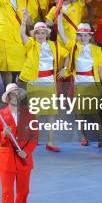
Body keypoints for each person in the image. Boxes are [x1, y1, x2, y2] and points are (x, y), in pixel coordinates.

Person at [0, 83, 37, 203]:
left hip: (24, 159)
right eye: (13, 93)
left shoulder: (29, 114)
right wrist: (4, 134)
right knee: (7, 194)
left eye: (17, 93)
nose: (16, 95)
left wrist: (27, 151)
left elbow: (34, 136)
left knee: (23, 192)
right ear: (8, 97)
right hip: (7, 160)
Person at [19, 17, 67, 152]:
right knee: (35, 113)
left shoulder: (54, 45)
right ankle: (32, 139)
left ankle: (50, 142)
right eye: (38, 33)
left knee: (51, 113)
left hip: (49, 81)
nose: (40, 35)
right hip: (35, 81)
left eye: (43, 32)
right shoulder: (31, 44)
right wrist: (23, 21)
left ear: (47, 34)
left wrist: (65, 68)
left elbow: (68, 53)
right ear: (34, 34)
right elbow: (22, 34)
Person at [62, 23, 102, 147]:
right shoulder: (73, 47)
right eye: (80, 35)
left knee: (94, 113)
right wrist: (59, 18)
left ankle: (100, 138)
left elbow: (100, 69)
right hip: (78, 83)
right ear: (77, 36)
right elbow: (62, 35)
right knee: (79, 113)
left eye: (85, 35)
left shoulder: (97, 49)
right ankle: (82, 136)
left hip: (92, 83)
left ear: (90, 36)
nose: (83, 38)